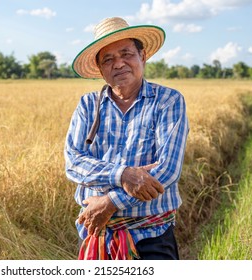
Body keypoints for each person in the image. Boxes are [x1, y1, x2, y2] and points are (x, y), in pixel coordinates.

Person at [64, 17, 189, 260]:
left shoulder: (168, 101)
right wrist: (125, 175)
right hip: (96, 235)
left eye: (126, 54)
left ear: (142, 56)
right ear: (100, 69)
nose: (119, 64)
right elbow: (73, 162)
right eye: (108, 59)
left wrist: (110, 201)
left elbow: (167, 170)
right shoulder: (88, 106)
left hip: (152, 235)